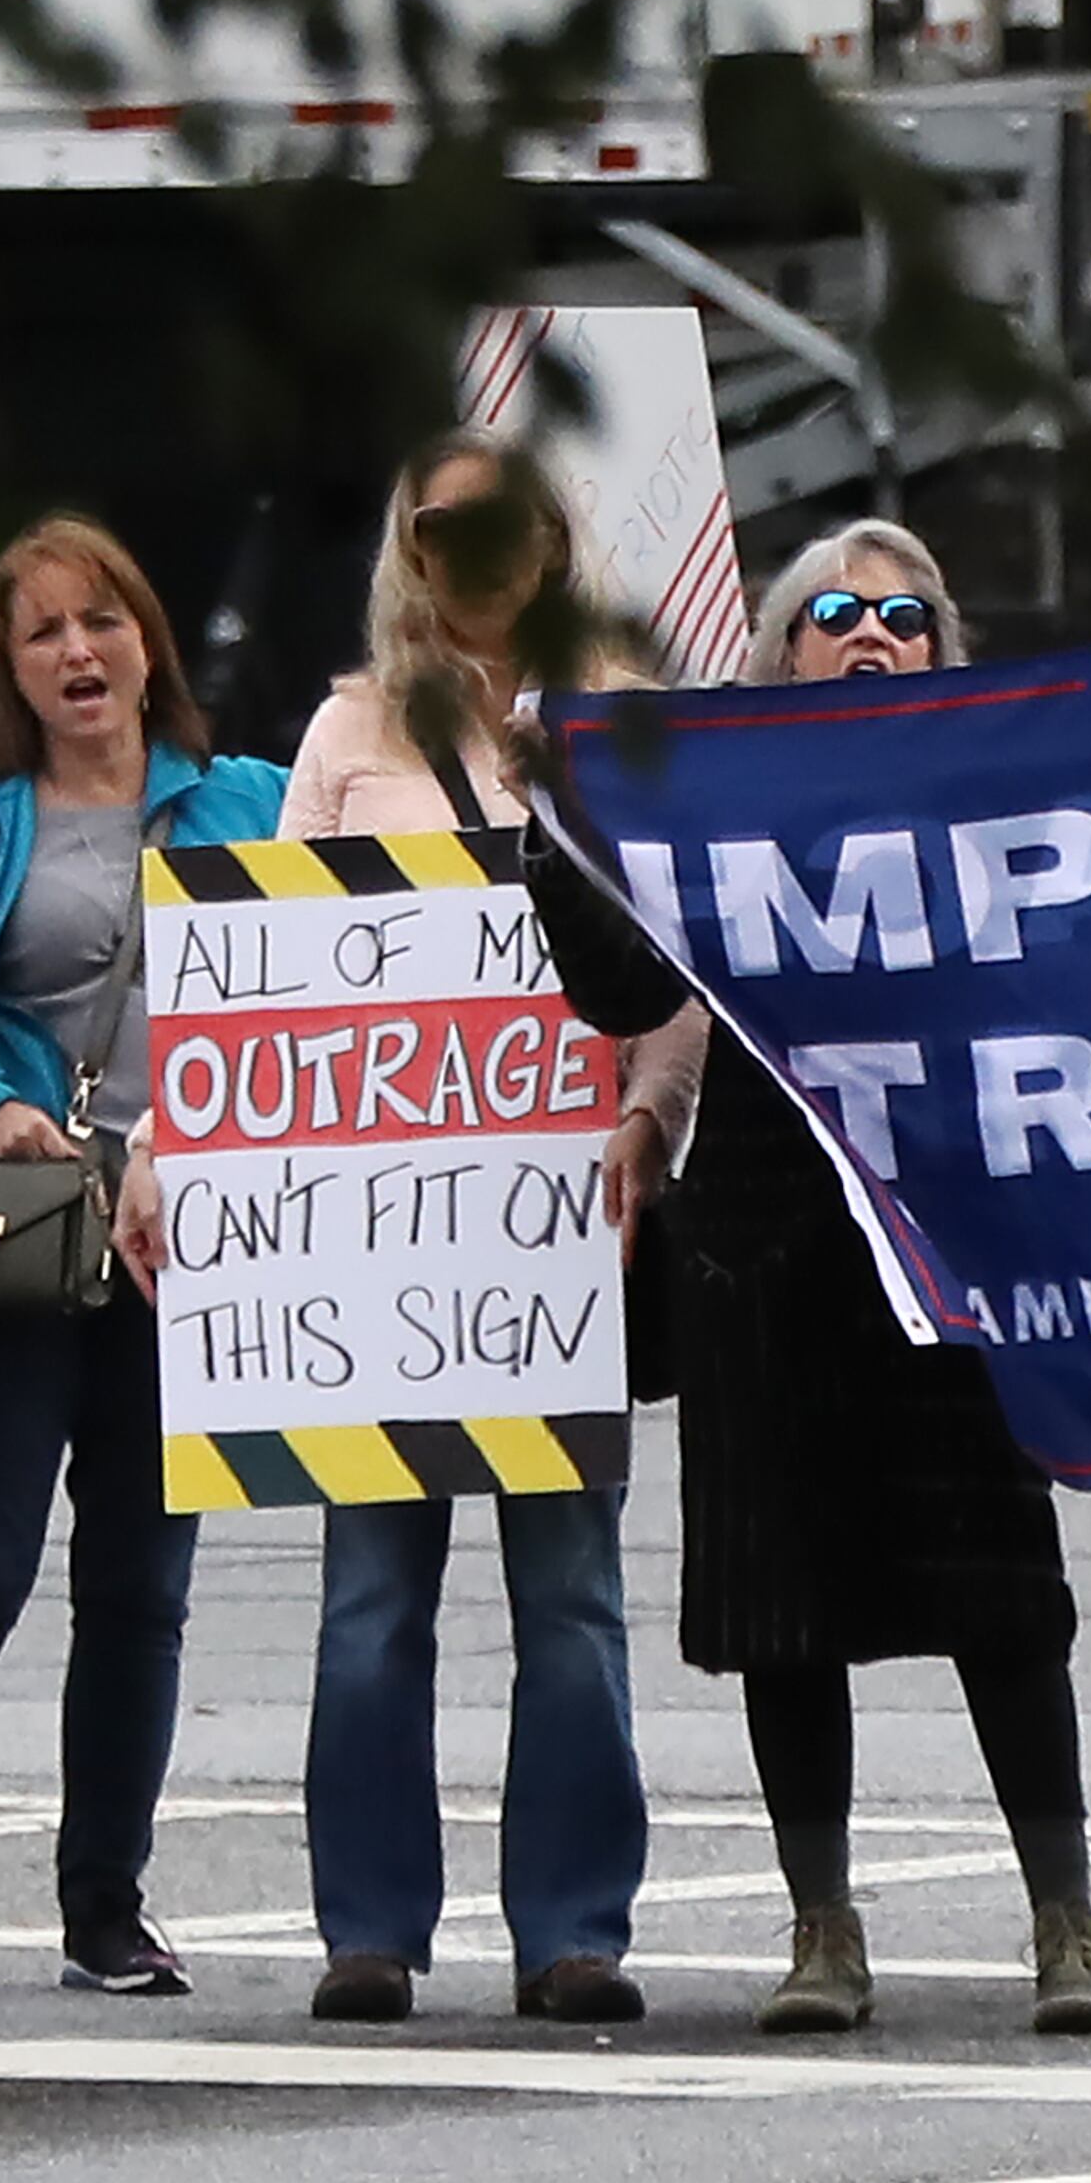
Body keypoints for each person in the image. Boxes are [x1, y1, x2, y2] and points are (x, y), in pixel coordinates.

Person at [525, 517, 1091, 2040]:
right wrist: (557, 811)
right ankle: (823, 1930)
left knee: (1003, 1592)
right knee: (781, 1597)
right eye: (840, 613)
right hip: (763, 1227)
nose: (875, 635)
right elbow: (626, 984)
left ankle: (1067, 1921)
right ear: (781, 648)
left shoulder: (996, 794)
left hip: (946, 1226)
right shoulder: (713, 806)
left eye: (908, 616)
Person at [0, 514, 288, 1999]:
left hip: (181, 1250)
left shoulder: (260, 805)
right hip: (4, 1244)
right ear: (11, 669)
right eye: (44, 633)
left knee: (141, 1588)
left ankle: (106, 1909)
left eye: (103, 621)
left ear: (149, 640)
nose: (78, 652)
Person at [264, 432, 698, 2027]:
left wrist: (653, 1117)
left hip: (565, 1228)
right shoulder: (344, 732)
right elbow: (269, 983)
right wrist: (185, 1144)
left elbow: (674, 963)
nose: (479, 552)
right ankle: (368, 1927)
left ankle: (574, 1929)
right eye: (447, 528)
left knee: (570, 1600)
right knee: (372, 1599)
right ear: (410, 547)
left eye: (507, 525)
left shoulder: (619, 723)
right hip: (379, 1252)